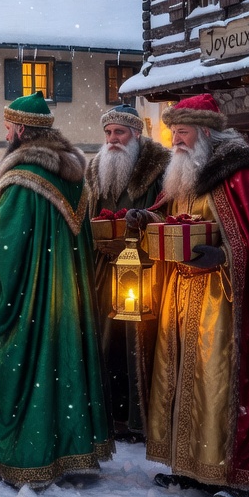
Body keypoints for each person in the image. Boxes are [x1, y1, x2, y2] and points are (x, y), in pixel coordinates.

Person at [127, 93, 249, 497]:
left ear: (206, 132)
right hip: (182, 294)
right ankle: (191, 468)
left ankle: (234, 475)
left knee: (218, 382)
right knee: (181, 378)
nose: (175, 140)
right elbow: (171, 215)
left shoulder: (240, 175)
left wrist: (224, 255)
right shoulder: (184, 172)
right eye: (173, 132)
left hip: (224, 301)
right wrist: (147, 219)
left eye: (183, 133)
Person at [0, 92, 113, 488]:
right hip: (69, 297)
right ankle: (73, 451)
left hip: (34, 299)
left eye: (9, 127)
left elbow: (5, 248)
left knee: (32, 364)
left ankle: (32, 455)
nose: (6, 133)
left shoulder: (21, 179)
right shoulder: (72, 177)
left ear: (22, 131)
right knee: (65, 360)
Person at [85, 104, 170, 443]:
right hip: (106, 270)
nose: (112, 139)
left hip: (146, 270)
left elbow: (170, 212)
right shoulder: (95, 169)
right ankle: (113, 415)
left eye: (119, 132)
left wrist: (145, 222)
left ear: (136, 133)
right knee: (107, 342)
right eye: (108, 133)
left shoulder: (160, 167)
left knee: (143, 344)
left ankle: (142, 418)